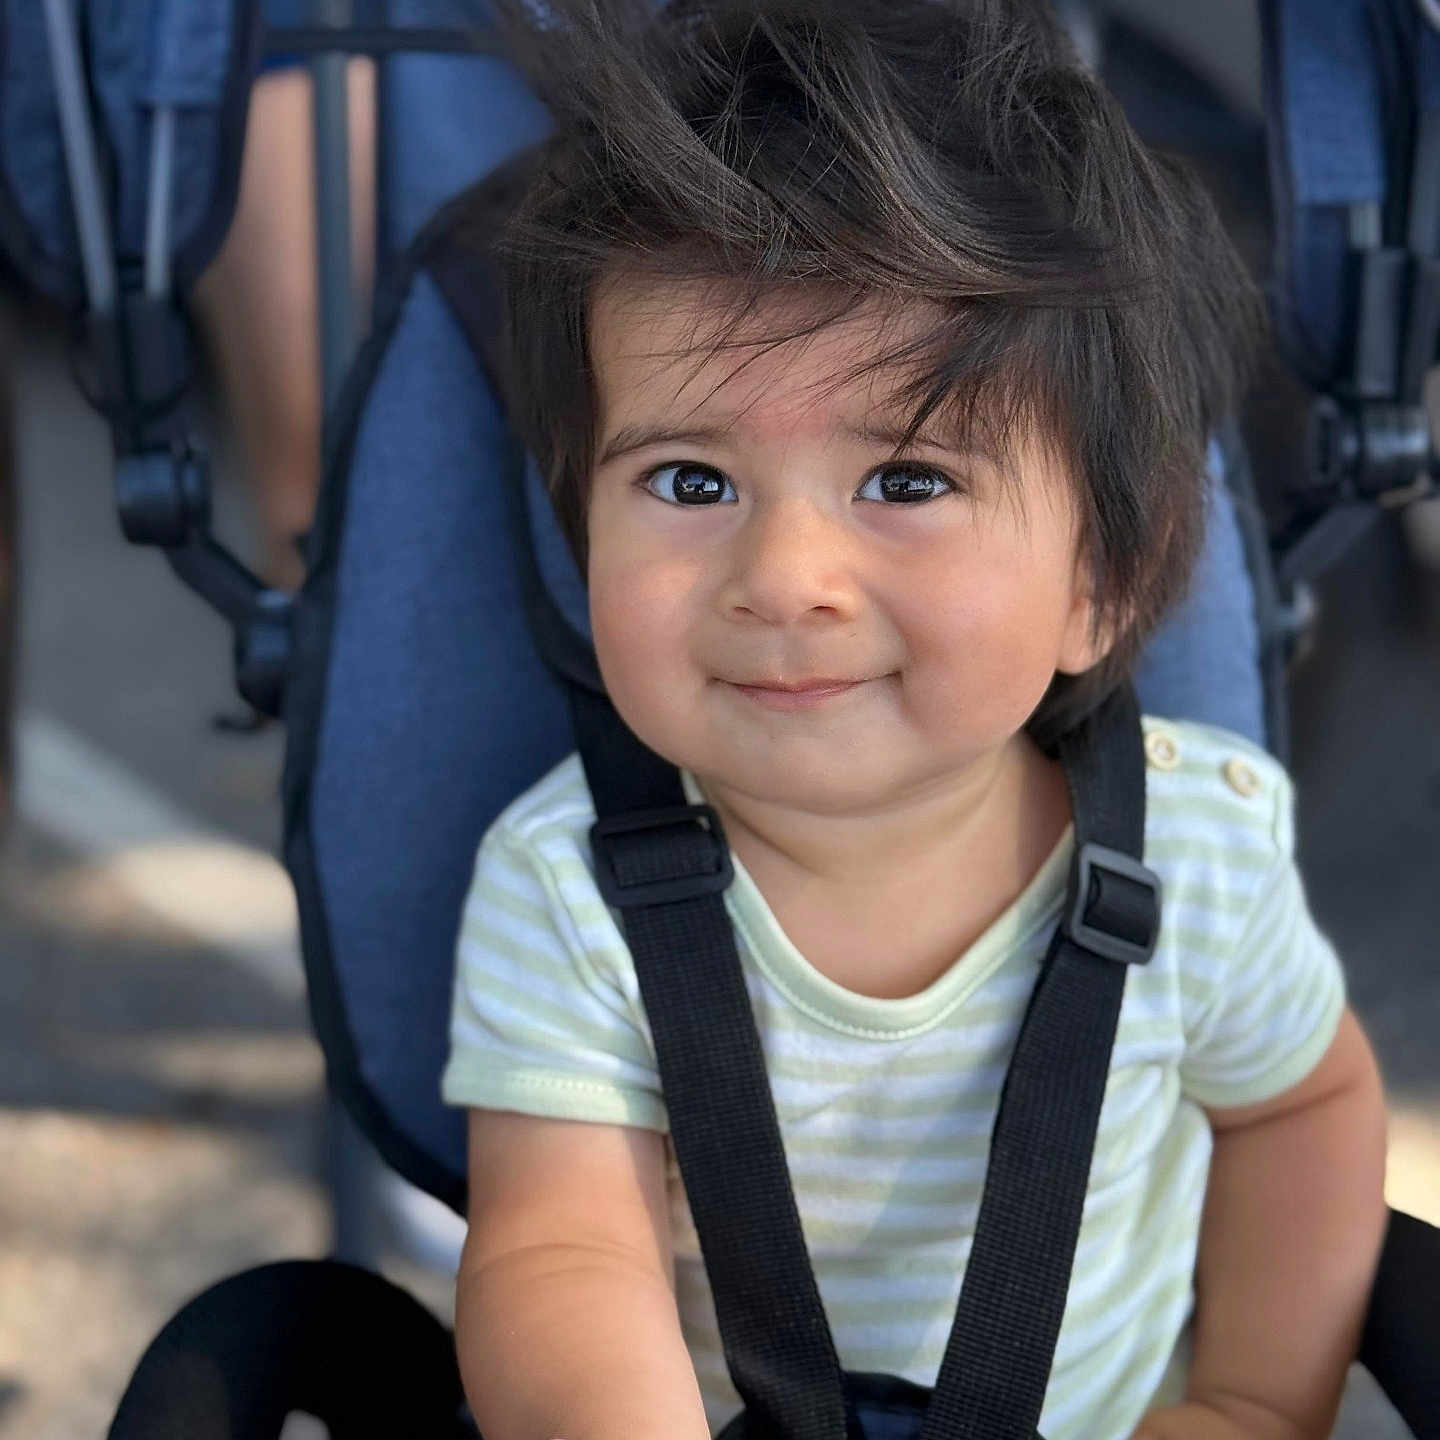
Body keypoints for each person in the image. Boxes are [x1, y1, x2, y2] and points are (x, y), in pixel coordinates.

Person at [440, 2, 1389, 1437]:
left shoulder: (1201, 852)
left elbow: (1299, 1115)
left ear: (1105, 584)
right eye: (692, 483)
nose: (784, 581)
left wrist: (1255, 1400)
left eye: (906, 481)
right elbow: (565, 1249)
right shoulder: (565, 890)